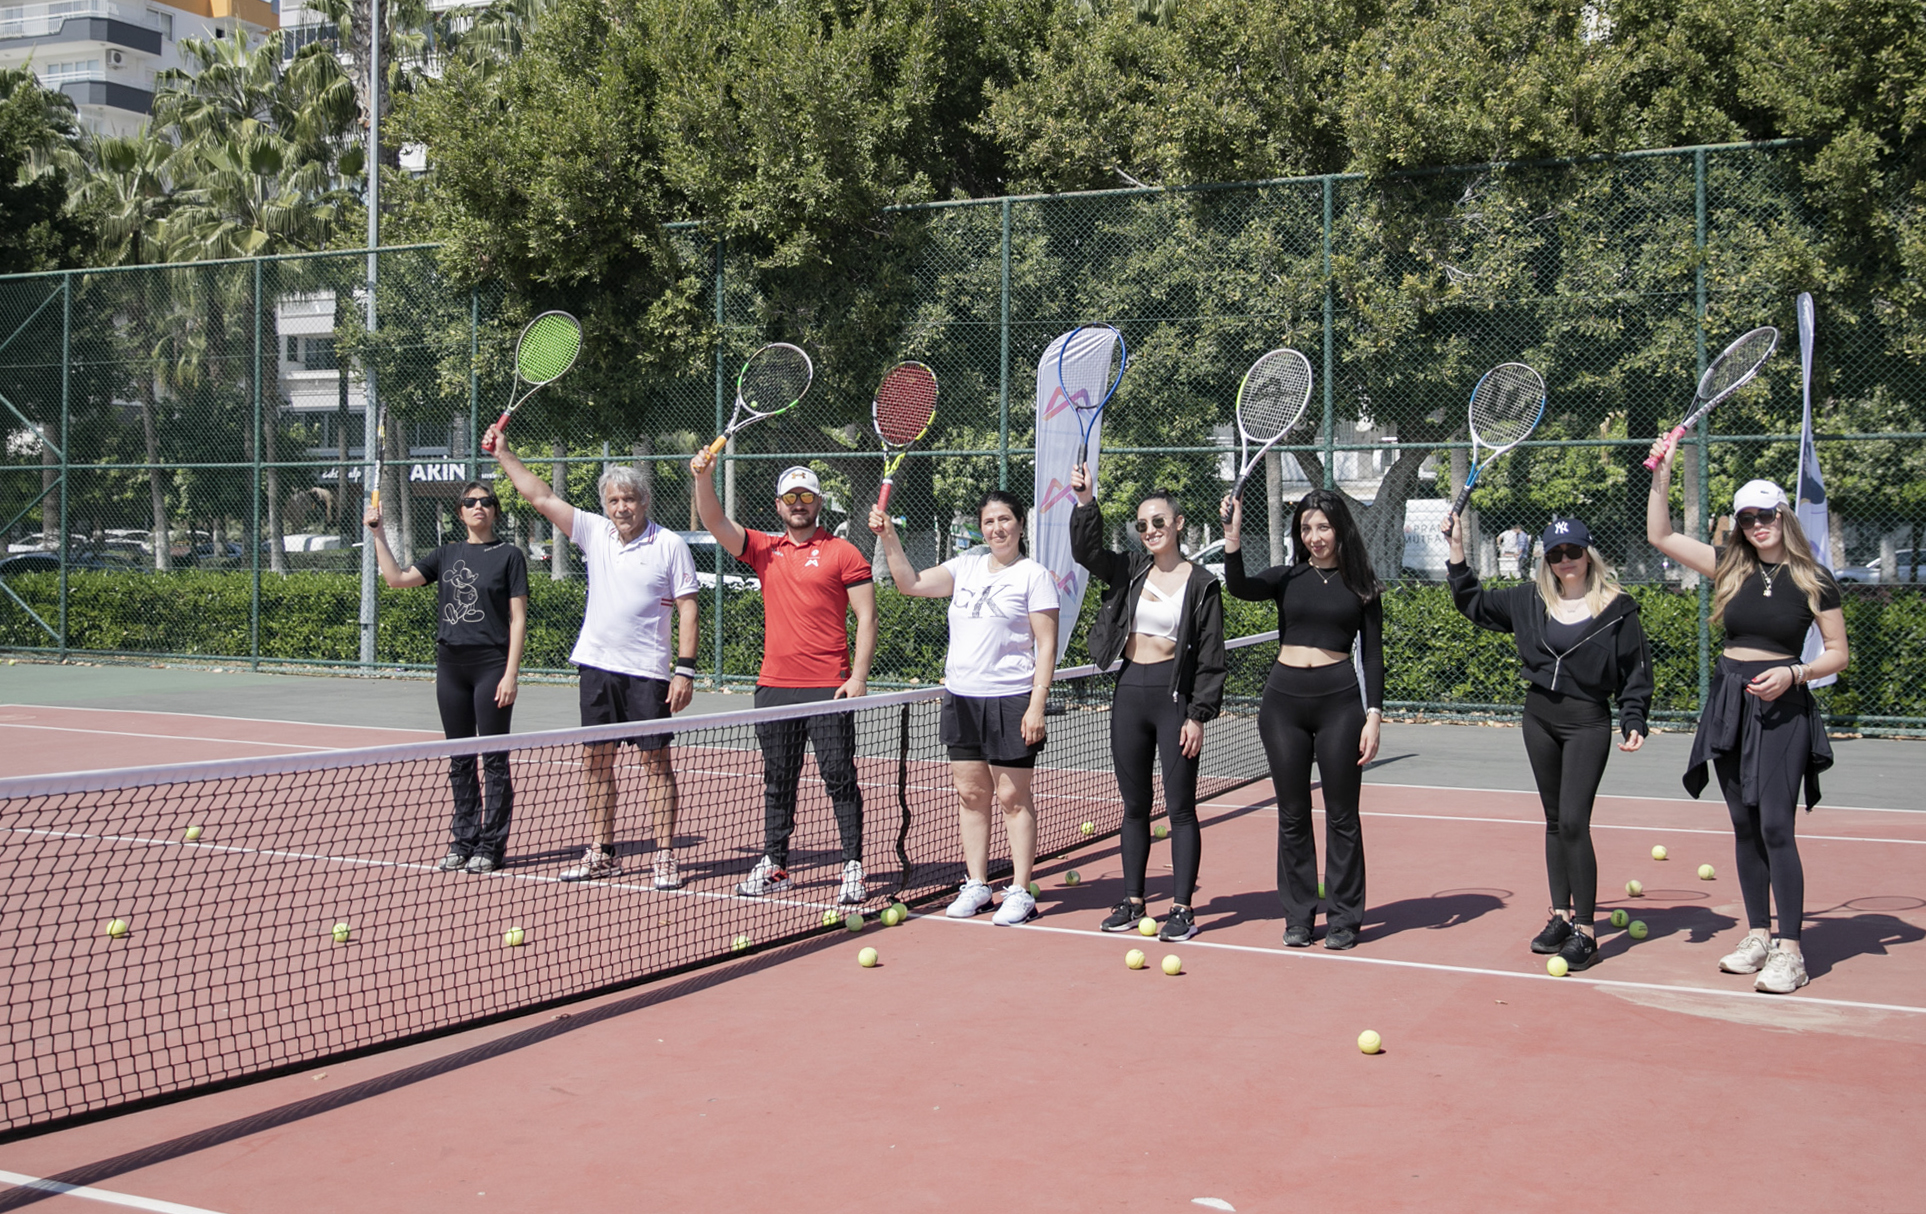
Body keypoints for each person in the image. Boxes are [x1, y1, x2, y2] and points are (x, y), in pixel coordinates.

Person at [1647, 452, 1848, 993]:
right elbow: (1661, 535)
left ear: (1784, 515)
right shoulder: (1730, 567)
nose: (1758, 525)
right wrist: (1662, 476)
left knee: (1776, 826)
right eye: (1747, 518)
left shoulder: (1814, 578)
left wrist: (1795, 673)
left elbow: (1838, 653)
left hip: (1783, 707)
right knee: (1743, 824)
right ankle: (1758, 935)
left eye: (1766, 515)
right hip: (1730, 702)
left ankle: (1791, 951)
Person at [489, 425, 701, 889]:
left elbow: (688, 608)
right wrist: (504, 454)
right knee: (595, 762)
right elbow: (541, 496)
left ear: (644, 502)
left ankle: (664, 856)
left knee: (655, 764)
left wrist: (684, 670)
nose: (622, 507)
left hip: (647, 674)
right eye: (614, 500)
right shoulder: (594, 532)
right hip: (596, 668)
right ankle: (602, 852)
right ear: (605, 505)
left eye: (629, 499)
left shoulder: (670, 545)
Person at [1445, 514, 1651, 971]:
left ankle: (1586, 931)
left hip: (1587, 722)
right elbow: (1473, 603)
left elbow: (1635, 671)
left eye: (1573, 551)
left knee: (1575, 821)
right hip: (1538, 717)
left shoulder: (1618, 607)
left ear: (1589, 554)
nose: (1564, 560)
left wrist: (1634, 716)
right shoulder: (1529, 598)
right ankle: (1560, 916)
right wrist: (1456, 552)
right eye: (1555, 554)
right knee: (1555, 821)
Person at [690, 457, 878, 905]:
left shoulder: (843, 552)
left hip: (829, 687)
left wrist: (858, 676)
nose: (799, 504)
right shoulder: (763, 548)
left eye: (806, 496)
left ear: (819, 502)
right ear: (778, 505)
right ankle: (775, 864)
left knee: (839, 777)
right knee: (778, 780)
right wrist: (702, 477)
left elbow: (867, 617)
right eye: (791, 497)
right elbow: (714, 521)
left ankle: (852, 867)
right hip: (774, 687)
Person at [869, 490, 1059, 925]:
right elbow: (910, 584)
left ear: (1020, 524)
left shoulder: (1034, 576)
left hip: (1011, 698)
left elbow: (1046, 645)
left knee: (1012, 797)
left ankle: (1020, 890)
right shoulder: (965, 566)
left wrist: (1037, 704)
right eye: (989, 521)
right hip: (962, 698)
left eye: (1005, 519)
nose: (997, 528)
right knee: (971, 796)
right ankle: (977, 885)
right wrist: (889, 537)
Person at [1069, 466, 1226, 942]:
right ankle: (1132, 900)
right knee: (1134, 806)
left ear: (1178, 523)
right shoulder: (1130, 569)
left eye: (1159, 522)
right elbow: (1086, 553)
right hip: (1129, 692)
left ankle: (1182, 909)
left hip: (1172, 698)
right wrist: (1086, 503)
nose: (1150, 530)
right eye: (1142, 525)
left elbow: (1212, 655)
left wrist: (1198, 715)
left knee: (1180, 808)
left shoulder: (1202, 583)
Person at [1221, 488, 1382, 950]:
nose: (1315, 537)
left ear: (1340, 529)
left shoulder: (1362, 585)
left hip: (1340, 707)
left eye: (1323, 527)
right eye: (1306, 528)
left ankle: (1345, 919)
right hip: (1283, 706)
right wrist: (1232, 538)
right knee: (1292, 814)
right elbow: (1239, 587)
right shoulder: (1287, 577)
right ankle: (1298, 916)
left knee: (1342, 816)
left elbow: (1373, 656)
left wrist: (1374, 715)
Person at [365, 482, 528, 875]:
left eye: (486, 501)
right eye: (470, 502)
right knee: (459, 759)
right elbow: (396, 578)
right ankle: (463, 842)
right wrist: (377, 533)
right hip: (451, 668)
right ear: (460, 512)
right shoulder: (446, 554)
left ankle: (490, 847)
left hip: (491, 665)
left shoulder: (509, 555)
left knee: (493, 759)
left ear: (495, 510)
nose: (478, 506)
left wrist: (510, 673)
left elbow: (518, 618)